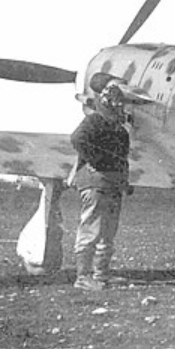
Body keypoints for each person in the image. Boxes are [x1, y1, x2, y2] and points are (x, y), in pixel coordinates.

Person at [69, 73, 132, 291]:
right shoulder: (95, 121)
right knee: (91, 230)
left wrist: (123, 180)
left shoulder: (120, 131)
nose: (120, 107)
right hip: (96, 184)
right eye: (117, 102)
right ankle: (83, 277)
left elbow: (122, 158)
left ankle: (101, 275)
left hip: (112, 185)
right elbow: (77, 139)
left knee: (107, 233)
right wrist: (97, 162)